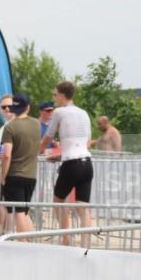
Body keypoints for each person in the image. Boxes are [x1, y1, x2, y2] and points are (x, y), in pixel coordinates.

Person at [46, 80, 93, 246]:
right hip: (87, 162)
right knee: (83, 207)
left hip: (71, 164)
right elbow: (86, 142)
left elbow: (49, 136)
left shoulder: (59, 112)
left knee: (58, 201)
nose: (54, 97)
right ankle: (86, 244)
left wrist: (39, 150)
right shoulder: (84, 113)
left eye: (55, 94)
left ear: (61, 95)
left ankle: (65, 238)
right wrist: (61, 156)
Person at [0, 94, 42, 234]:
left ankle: (23, 243)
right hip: (31, 175)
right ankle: (28, 242)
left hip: (14, 174)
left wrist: (3, 176)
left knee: (18, 214)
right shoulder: (37, 124)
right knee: (24, 212)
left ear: (13, 109)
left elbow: (6, 155)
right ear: (28, 107)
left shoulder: (10, 127)